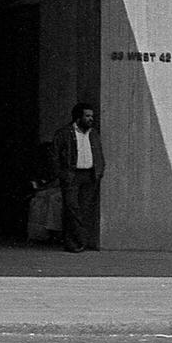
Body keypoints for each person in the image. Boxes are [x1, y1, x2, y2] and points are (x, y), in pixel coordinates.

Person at [54, 102, 104, 253]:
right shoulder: (64, 133)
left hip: (89, 176)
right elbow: (54, 156)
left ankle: (78, 242)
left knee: (84, 209)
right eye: (87, 116)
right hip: (72, 175)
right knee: (72, 208)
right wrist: (61, 174)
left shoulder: (93, 133)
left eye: (92, 116)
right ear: (78, 117)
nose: (91, 119)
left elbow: (99, 154)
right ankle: (76, 242)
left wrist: (100, 170)